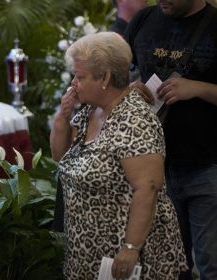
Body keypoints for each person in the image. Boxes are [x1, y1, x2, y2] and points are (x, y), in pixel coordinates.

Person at [50, 32, 187, 279]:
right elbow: (61, 156)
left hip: (124, 257)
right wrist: (63, 114)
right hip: (87, 251)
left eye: (80, 77)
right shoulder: (90, 110)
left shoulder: (134, 120)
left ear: (105, 77)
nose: (73, 84)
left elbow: (148, 187)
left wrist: (131, 247)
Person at [124, 1, 217, 279]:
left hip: (207, 166)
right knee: (168, 268)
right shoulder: (142, 20)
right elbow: (119, 78)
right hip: (151, 170)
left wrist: (197, 88)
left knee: (211, 265)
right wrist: (129, 88)